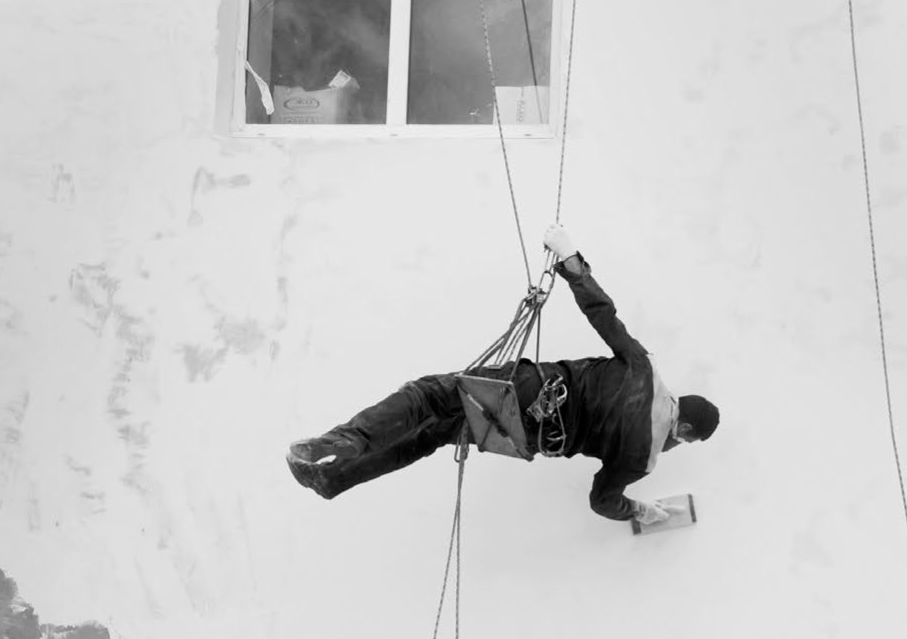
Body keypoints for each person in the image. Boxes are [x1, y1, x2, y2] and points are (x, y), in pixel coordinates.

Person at [284, 226, 719, 527]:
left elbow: (602, 314)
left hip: (528, 391)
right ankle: (333, 480)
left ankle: (339, 443)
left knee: (427, 396)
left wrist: (570, 259)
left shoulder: (643, 370)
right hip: (524, 437)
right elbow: (602, 501)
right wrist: (640, 511)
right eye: (685, 440)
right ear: (684, 430)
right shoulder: (641, 460)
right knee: (432, 434)